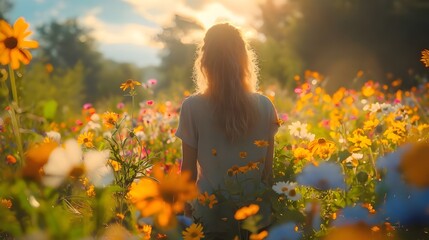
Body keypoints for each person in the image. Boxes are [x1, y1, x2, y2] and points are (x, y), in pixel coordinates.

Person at [176, 22, 279, 239]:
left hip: (210, 219)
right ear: (244, 60)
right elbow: (267, 173)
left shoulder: (192, 107)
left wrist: (184, 213)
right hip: (256, 219)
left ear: (204, 61)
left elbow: (188, 173)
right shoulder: (265, 106)